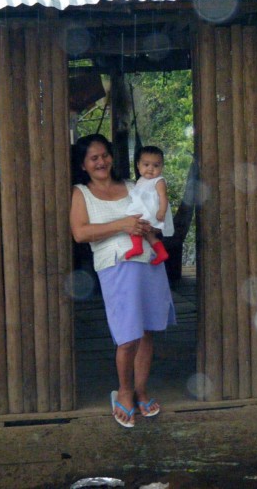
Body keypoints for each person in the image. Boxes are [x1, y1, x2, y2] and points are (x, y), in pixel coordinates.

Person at [70, 133, 176, 428]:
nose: (101, 161)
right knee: (127, 334)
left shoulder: (133, 185)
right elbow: (80, 233)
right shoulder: (82, 192)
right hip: (116, 264)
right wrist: (122, 225)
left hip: (148, 261)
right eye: (94, 158)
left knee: (147, 331)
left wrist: (148, 226)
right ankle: (125, 392)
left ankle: (141, 390)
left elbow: (155, 213)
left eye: (105, 155)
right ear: (83, 164)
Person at [124, 146, 174, 265]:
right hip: (143, 210)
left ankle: (137, 248)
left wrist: (161, 211)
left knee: (137, 227)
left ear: (162, 167)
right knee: (149, 235)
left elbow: (163, 196)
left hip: (151, 211)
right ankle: (161, 253)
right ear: (138, 165)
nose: (150, 169)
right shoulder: (141, 180)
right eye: (146, 165)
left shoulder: (159, 181)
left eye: (156, 166)